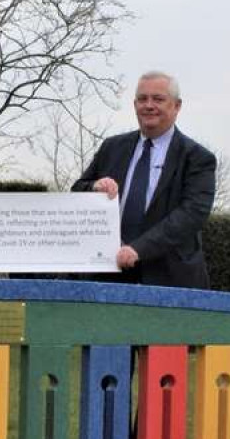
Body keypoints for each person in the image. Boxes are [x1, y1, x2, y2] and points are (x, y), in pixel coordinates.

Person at [72, 71, 216, 288]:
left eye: (158, 99)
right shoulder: (111, 148)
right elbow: (76, 192)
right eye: (142, 99)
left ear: (176, 106)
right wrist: (94, 187)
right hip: (106, 276)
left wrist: (138, 249)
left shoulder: (197, 158)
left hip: (170, 281)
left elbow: (191, 215)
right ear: (134, 104)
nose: (149, 105)